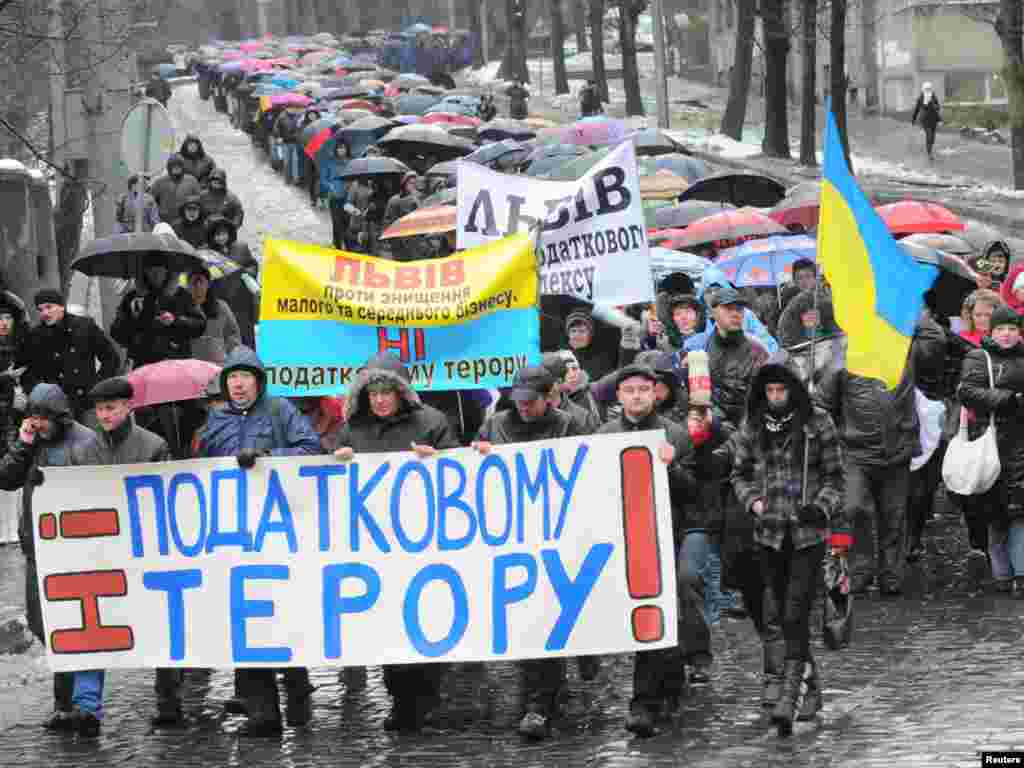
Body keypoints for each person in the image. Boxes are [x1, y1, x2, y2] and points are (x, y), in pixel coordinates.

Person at [196, 346, 321, 735]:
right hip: (235, 535)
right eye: (231, 377)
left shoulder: (281, 409)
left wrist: (269, 455)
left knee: (283, 613)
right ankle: (262, 712)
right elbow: (201, 469)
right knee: (245, 620)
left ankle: (297, 688)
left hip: (280, 532)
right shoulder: (215, 420)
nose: (237, 384)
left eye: (244, 377)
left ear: (258, 381)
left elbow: (312, 448)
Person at [331, 353, 459, 731]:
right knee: (389, 624)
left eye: (387, 392)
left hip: (425, 539)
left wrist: (438, 459)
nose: (380, 400)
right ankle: (400, 699)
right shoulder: (352, 429)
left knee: (426, 620)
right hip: (375, 544)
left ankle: (425, 696)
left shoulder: (432, 422)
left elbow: (460, 471)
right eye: (373, 393)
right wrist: (335, 461)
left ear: (402, 393)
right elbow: (329, 481)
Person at [596, 364, 715, 737]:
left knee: (664, 610)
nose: (636, 396)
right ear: (619, 397)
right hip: (627, 535)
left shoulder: (674, 433)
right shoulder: (605, 435)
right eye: (629, 390)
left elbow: (693, 490)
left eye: (643, 390)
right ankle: (656, 693)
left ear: (654, 393)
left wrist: (672, 466)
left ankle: (649, 698)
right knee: (643, 615)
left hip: (670, 533)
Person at [731, 360, 847, 736]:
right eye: (770, 391)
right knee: (781, 613)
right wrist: (754, 502)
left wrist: (821, 507)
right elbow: (740, 472)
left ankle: (790, 695)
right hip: (768, 534)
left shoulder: (818, 424)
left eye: (782, 391)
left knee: (797, 611)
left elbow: (836, 476)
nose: (777, 398)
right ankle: (809, 685)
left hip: (806, 534)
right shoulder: (752, 426)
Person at [473, 366, 582, 740]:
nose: (523, 409)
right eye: (518, 402)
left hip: (555, 532)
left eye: (531, 402)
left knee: (547, 614)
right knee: (522, 613)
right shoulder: (496, 424)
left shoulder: (570, 424)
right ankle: (537, 691)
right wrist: (479, 454)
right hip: (510, 534)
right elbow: (474, 467)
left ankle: (540, 701)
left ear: (549, 397)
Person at [0, 383, 103, 735]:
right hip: (37, 550)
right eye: (32, 417)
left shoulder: (86, 441)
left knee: (79, 628)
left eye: (42, 418)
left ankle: (81, 705)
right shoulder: (30, 443)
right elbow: (6, 478)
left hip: (76, 551)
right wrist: (23, 445)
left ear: (59, 417)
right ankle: (64, 702)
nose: (37, 424)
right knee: (45, 626)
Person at [79, 377, 172, 724]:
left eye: (110, 408)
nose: (103, 415)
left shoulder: (153, 445)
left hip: (146, 550)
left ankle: (168, 700)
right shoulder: (86, 450)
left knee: (161, 623)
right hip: (102, 549)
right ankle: (87, 704)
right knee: (92, 621)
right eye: (99, 409)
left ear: (128, 407)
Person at [818, 330, 918, 596]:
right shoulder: (842, 360)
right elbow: (822, 404)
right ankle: (860, 568)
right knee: (854, 508)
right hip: (854, 452)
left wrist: (909, 436)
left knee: (894, 515)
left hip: (896, 452)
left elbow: (909, 400)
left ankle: (891, 573)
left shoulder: (903, 355)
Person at [958, 305, 1024, 595]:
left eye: (1011, 328)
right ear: (991, 331)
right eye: (1001, 329)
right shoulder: (978, 357)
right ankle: (1001, 573)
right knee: (996, 511)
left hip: (1020, 441)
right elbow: (968, 392)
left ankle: (1021, 573)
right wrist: (1008, 399)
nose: (1007, 335)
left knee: (1021, 511)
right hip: (990, 441)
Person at [948, 288, 1003, 579]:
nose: (983, 319)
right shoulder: (958, 344)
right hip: (967, 421)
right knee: (970, 481)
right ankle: (977, 539)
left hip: (1000, 420)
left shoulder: (1006, 342)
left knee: (995, 481)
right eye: (977, 314)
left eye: (988, 314)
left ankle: (996, 545)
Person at [20, 289, 121, 419]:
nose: (45, 313)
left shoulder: (85, 326)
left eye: (49, 307)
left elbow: (111, 359)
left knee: (92, 437)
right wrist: (39, 393)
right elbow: (26, 371)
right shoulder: (35, 336)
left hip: (87, 403)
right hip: (55, 407)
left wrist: (97, 387)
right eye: (40, 310)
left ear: (62, 306)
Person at [109, 263, 206, 369]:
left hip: (176, 363)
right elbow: (116, 332)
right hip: (143, 365)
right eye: (151, 269)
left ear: (167, 271)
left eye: (160, 269)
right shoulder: (133, 296)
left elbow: (200, 325)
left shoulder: (181, 295)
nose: (156, 274)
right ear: (144, 272)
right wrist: (135, 320)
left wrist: (175, 321)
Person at [205, 215, 259, 348]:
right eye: (217, 235)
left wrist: (247, 273)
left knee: (247, 337)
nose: (221, 238)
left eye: (223, 234)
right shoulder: (207, 254)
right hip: (222, 304)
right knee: (228, 339)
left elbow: (252, 265)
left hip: (242, 302)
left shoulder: (241, 248)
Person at [188, 266, 241, 364]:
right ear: (188, 285)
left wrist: (230, 354)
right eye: (194, 282)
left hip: (217, 363)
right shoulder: (183, 307)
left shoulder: (220, 307)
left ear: (208, 284)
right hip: (192, 365)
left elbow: (233, 333)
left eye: (201, 281)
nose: (198, 286)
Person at [0, 291, 26, 455]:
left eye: (7, 318)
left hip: (19, 413)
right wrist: (6, 377)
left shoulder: (23, 345)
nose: (3, 323)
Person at [565, 310, 619, 383]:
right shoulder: (567, 354)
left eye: (582, 331)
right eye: (573, 331)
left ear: (590, 334)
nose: (577, 335)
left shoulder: (603, 353)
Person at [150, 154, 202, 225]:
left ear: (183, 167)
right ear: (169, 168)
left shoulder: (191, 181)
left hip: (184, 220)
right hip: (164, 219)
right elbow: (150, 199)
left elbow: (199, 199)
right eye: (173, 166)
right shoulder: (160, 182)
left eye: (179, 166)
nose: (176, 168)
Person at [911, 81, 941, 161]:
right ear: (923, 89)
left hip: (933, 119)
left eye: (929, 89)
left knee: (932, 137)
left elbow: (938, 107)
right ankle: (929, 153)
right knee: (929, 135)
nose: (928, 90)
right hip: (925, 120)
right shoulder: (920, 98)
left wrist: (934, 105)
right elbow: (916, 109)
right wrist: (913, 119)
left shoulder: (933, 96)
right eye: (926, 89)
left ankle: (930, 149)